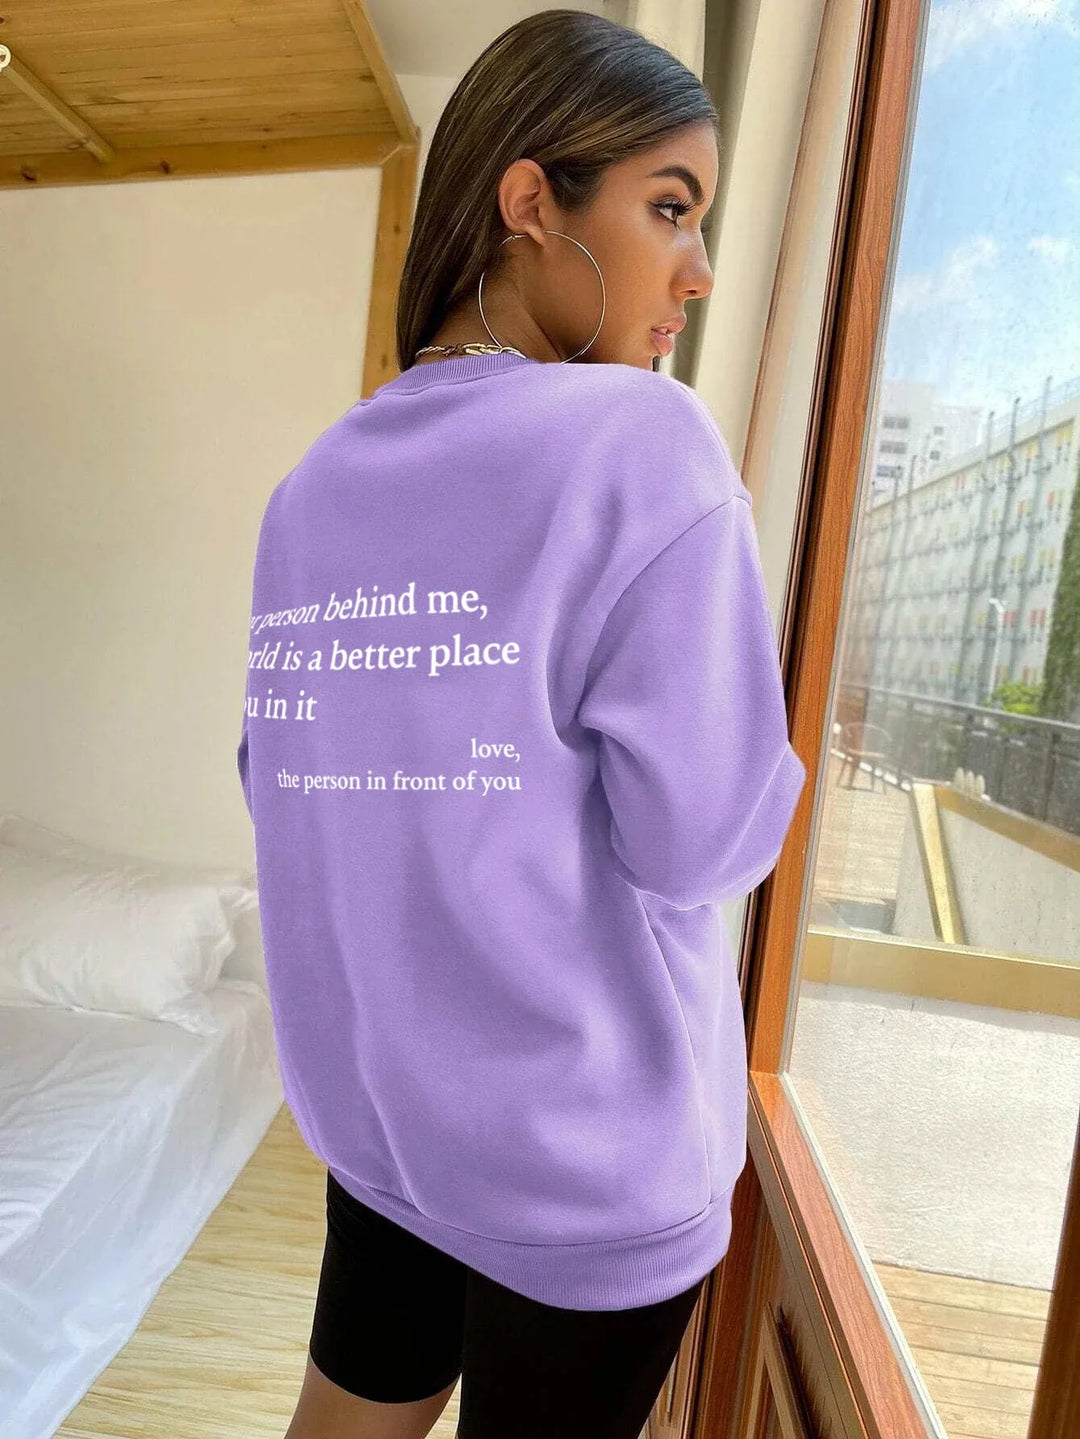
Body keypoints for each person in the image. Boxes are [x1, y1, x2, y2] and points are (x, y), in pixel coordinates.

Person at [237, 10, 806, 1438]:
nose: (700, 265)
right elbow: (702, 845)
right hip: (581, 1162)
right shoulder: (643, 443)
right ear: (530, 200)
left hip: (386, 1136)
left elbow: (284, 787)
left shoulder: (313, 487)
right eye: (668, 207)